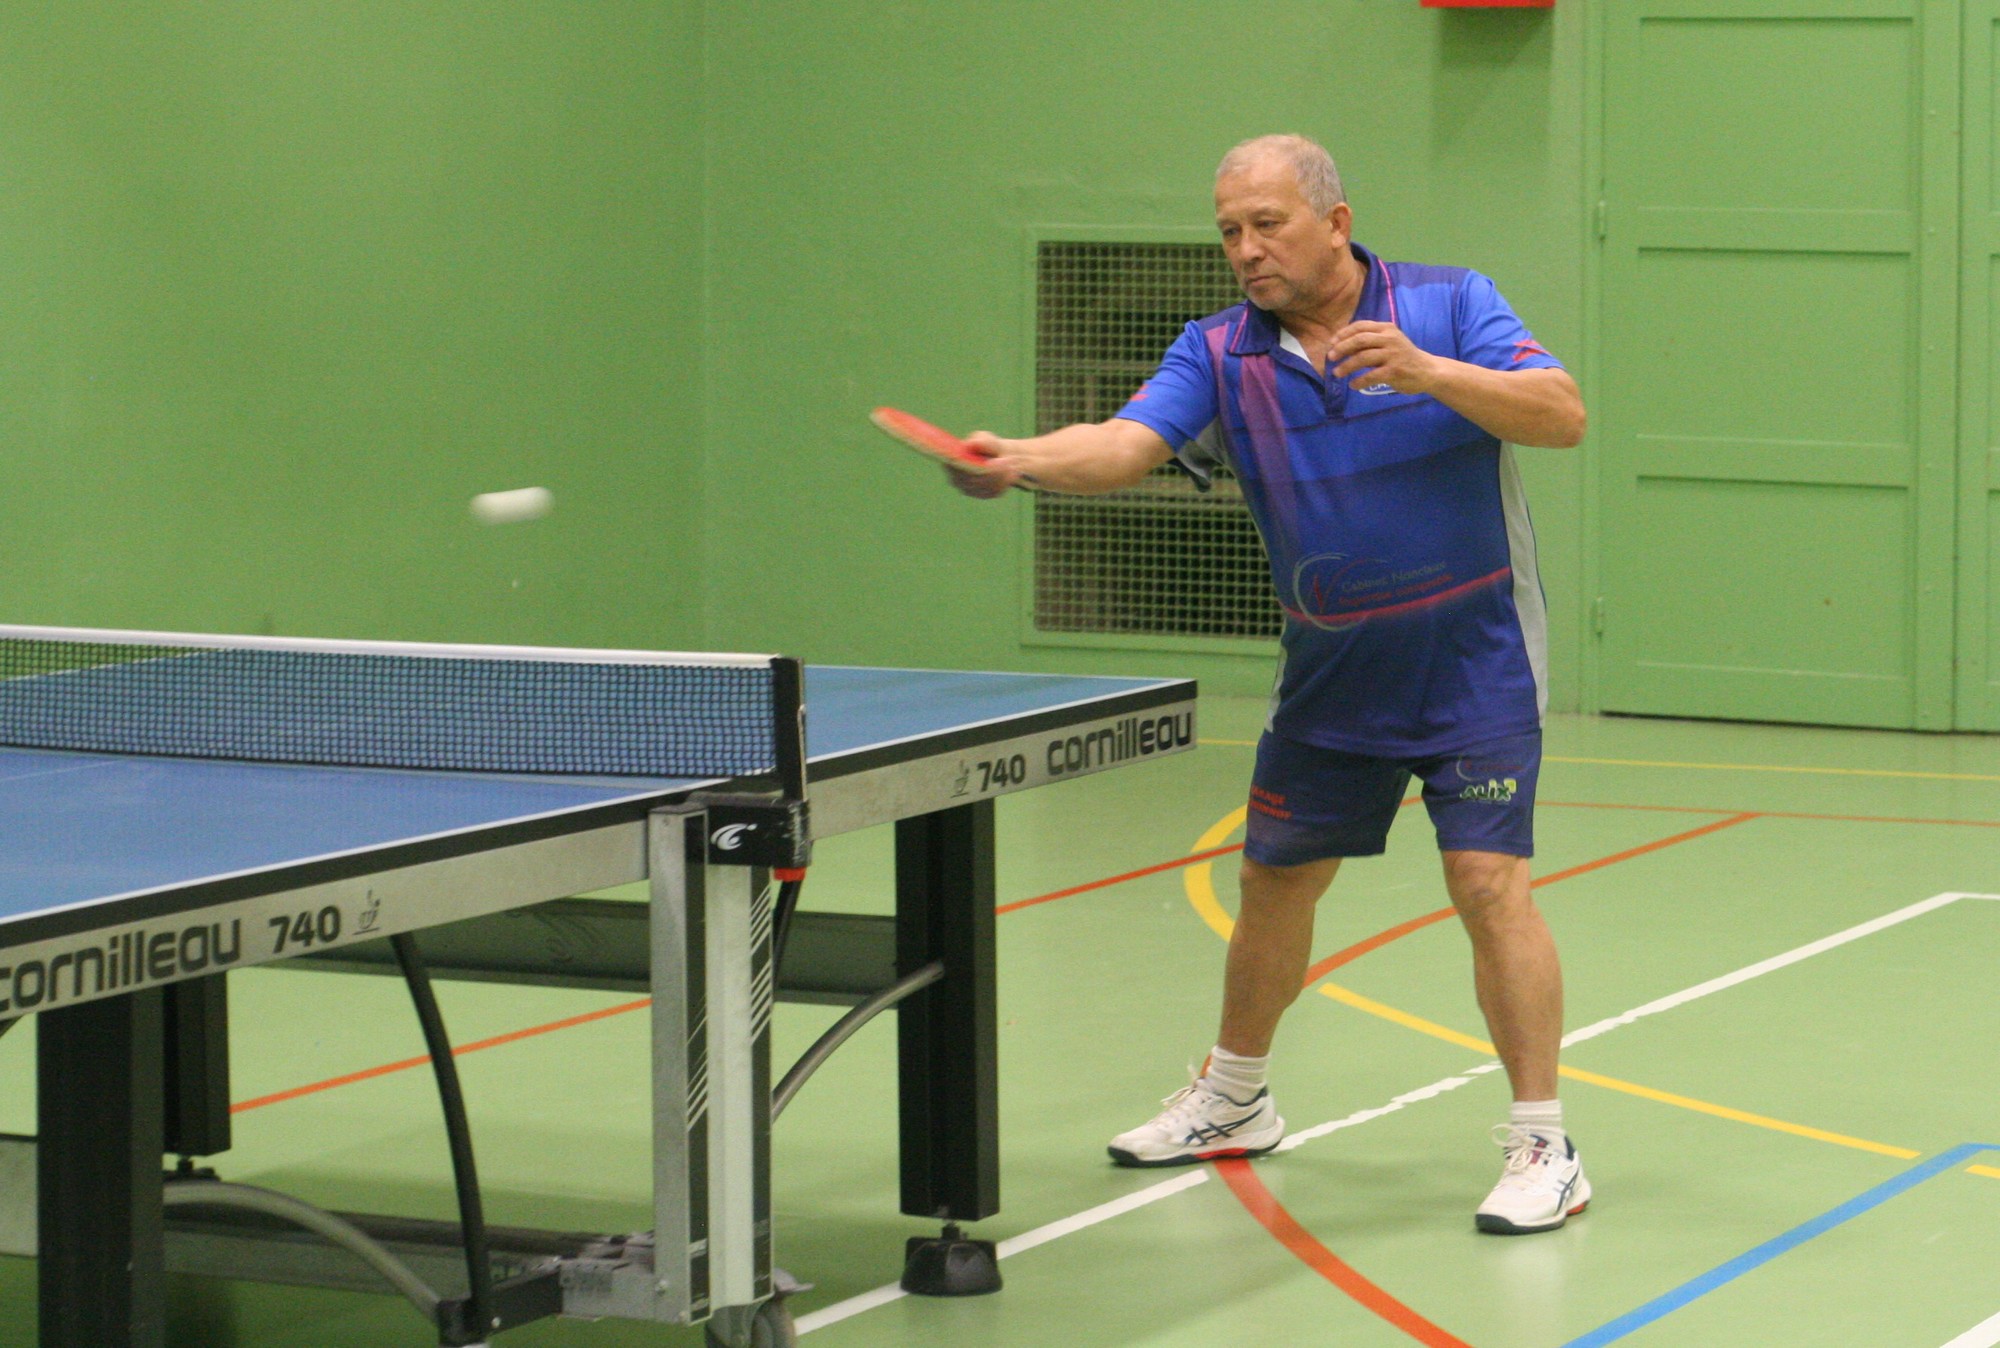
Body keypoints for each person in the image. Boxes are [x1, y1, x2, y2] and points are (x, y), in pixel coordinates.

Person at [952, 134, 1589, 1235]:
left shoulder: (1448, 304)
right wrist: (1016, 459)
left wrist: (1429, 372)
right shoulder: (1217, 351)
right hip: (1331, 672)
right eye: (1229, 232)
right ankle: (1235, 1097)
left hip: (1474, 661)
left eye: (1266, 225)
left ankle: (1544, 1144)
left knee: (1488, 885)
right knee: (1272, 881)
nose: (1245, 250)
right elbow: (1123, 445)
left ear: (1334, 222)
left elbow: (1561, 413)